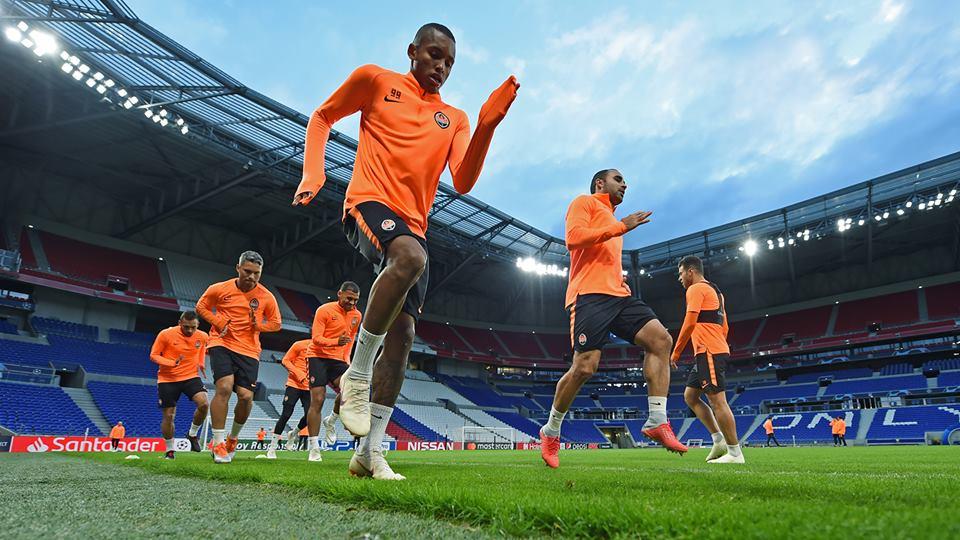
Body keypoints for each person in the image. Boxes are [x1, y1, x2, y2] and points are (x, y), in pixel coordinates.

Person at [292, 23, 519, 480]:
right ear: (412, 50)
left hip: (414, 227)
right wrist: (313, 173)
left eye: (449, 62)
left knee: (404, 338)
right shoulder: (375, 80)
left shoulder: (454, 118)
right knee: (411, 258)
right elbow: (322, 117)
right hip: (369, 202)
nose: (441, 66)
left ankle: (369, 453)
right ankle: (357, 373)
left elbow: (463, 180)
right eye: (434, 54)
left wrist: (487, 124)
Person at [539, 169, 686, 469]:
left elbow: (603, 257)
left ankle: (657, 420)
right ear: (600, 183)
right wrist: (620, 227)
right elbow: (573, 239)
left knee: (661, 340)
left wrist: (617, 277)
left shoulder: (611, 217)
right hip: (589, 295)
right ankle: (551, 431)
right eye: (618, 179)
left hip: (618, 295)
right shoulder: (584, 202)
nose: (625, 184)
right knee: (585, 367)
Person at [196, 251, 282, 463]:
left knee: (245, 397)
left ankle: (232, 439)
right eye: (247, 271)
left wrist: (258, 325)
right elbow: (201, 306)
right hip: (221, 343)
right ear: (238, 268)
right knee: (224, 388)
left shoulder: (266, 297)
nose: (251, 276)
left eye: (256, 273)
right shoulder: (219, 288)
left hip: (249, 350)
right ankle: (217, 443)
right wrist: (218, 322)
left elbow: (276, 323)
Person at [672, 256, 744, 464]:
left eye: (681, 274)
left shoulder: (695, 289)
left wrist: (676, 352)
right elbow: (725, 326)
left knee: (717, 401)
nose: (680, 278)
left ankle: (735, 453)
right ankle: (718, 439)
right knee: (690, 396)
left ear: (691, 271)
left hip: (708, 351)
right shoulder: (717, 292)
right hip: (710, 350)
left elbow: (689, 322)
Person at [305, 282, 362, 463]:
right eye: (349, 298)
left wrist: (347, 360)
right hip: (318, 356)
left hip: (339, 359)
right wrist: (335, 342)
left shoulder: (357, 315)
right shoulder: (324, 310)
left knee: (350, 390)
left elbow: (351, 339)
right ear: (339, 294)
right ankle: (314, 448)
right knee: (318, 399)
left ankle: (331, 420)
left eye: (355, 300)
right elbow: (316, 339)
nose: (352, 303)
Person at [149, 311, 209, 459]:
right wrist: (171, 363)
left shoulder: (202, 336)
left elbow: (202, 348)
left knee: (204, 404)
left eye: (193, 327)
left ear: (198, 325)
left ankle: (192, 434)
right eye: (186, 327)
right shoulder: (166, 334)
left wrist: (201, 363)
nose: (190, 330)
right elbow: (153, 355)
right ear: (179, 323)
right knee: (169, 415)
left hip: (190, 376)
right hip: (167, 379)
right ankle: (170, 450)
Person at [266, 339, 312, 459]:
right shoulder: (299, 344)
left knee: (310, 416)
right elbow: (285, 360)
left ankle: (294, 433)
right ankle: (272, 448)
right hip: (294, 384)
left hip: (309, 387)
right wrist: (299, 374)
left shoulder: (322, 349)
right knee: (286, 415)